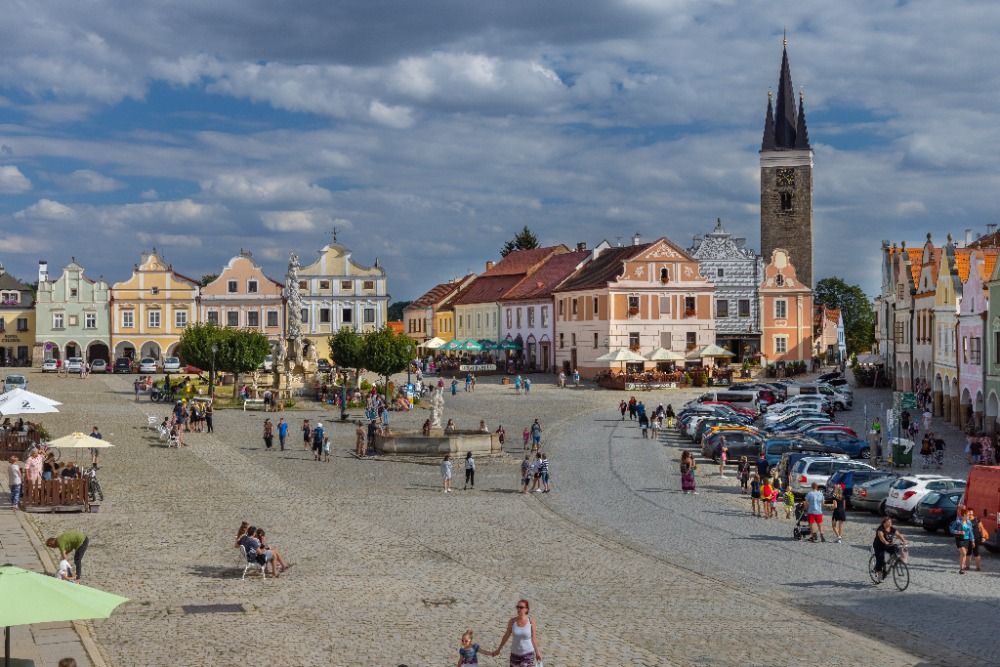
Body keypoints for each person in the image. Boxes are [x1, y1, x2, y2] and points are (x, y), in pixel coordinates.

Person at [485, 599, 542, 665]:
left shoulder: (531, 622)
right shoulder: (512, 621)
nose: (519, 609)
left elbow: (534, 638)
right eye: (517, 607)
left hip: (528, 654)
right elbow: (506, 636)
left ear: (526, 609)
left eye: (521, 607)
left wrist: (537, 652)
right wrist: (499, 649)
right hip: (515, 654)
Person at [872, 516, 907, 581]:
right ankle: (878, 571)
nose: (890, 523)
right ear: (884, 523)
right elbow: (881, 537)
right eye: (888, 522)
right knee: (881, 558)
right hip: (879, 546)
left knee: (896, 548)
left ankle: (891, 560)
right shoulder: (880, 529)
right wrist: (885, 542)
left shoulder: (891, 529)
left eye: (890, 522)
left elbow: (898, 535)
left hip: (888, 545)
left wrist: (903, 540)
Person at [951, 509, 974, 574]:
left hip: (967, 540)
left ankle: (961, 569)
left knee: (963, 555)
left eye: (969, 515)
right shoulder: (958, 522)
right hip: (959, 539)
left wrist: (972, 540)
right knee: (964, 553)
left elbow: (971, 532)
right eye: (968, 515)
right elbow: (951, 529)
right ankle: (962, 568)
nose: (969, 516)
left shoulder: (969, 522)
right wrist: (959, 532)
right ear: (964, 515)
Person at [967, 508, 986, 572]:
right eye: (969, 513)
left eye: (971, 513)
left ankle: (978, 567)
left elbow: (982, 528)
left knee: (976, 552)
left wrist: (983, 537)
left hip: (976, 538)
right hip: (967, 538)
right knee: (968, 552)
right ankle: (967, 566)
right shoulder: (965, 520)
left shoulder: (977, 519)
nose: (970, 514)